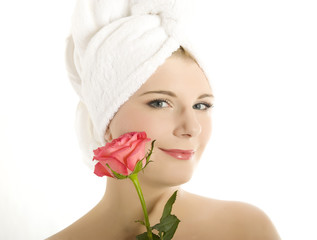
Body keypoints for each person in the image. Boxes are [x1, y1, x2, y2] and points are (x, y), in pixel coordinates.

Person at [48, 0, 280, 239]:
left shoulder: (245, 229)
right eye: (160, 103)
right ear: (105, 118)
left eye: (202, 105)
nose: (192, 128)